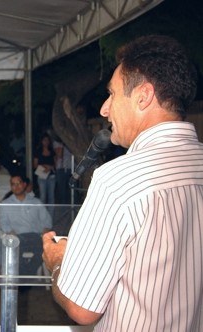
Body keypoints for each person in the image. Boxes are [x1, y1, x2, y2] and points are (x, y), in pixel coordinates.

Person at [42, 35, 203, 331]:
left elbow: (82, 309)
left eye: (112, 95)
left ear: (143, 96)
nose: (104, 109)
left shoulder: (117, 180)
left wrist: (57, 263)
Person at [0, 173, 52, 276]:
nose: (16, 187)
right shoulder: (5, 204)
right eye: (13, 184)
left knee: (43, 250)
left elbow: (47, 221)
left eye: (18, 183)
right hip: (17, 236)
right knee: (14, 249)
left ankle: (25, 275)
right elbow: (3, 223)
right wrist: (10, 231)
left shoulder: (36, 202)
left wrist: (45, 229)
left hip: (35, 236)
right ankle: (26, 277)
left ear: (24, 185)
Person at [33, 134, 56, 204]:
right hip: (41, 176)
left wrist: (50, 167)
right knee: (43, 196)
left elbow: (55, 164)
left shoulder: (52, 151)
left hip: (51, 176)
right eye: (44, 140)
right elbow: (35, 165)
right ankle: (42, 213)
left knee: (51, 196)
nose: (46, 142)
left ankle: (50, 214)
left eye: (47, 140)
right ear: (42, 141)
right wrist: (44, 166)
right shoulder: (38, 151)